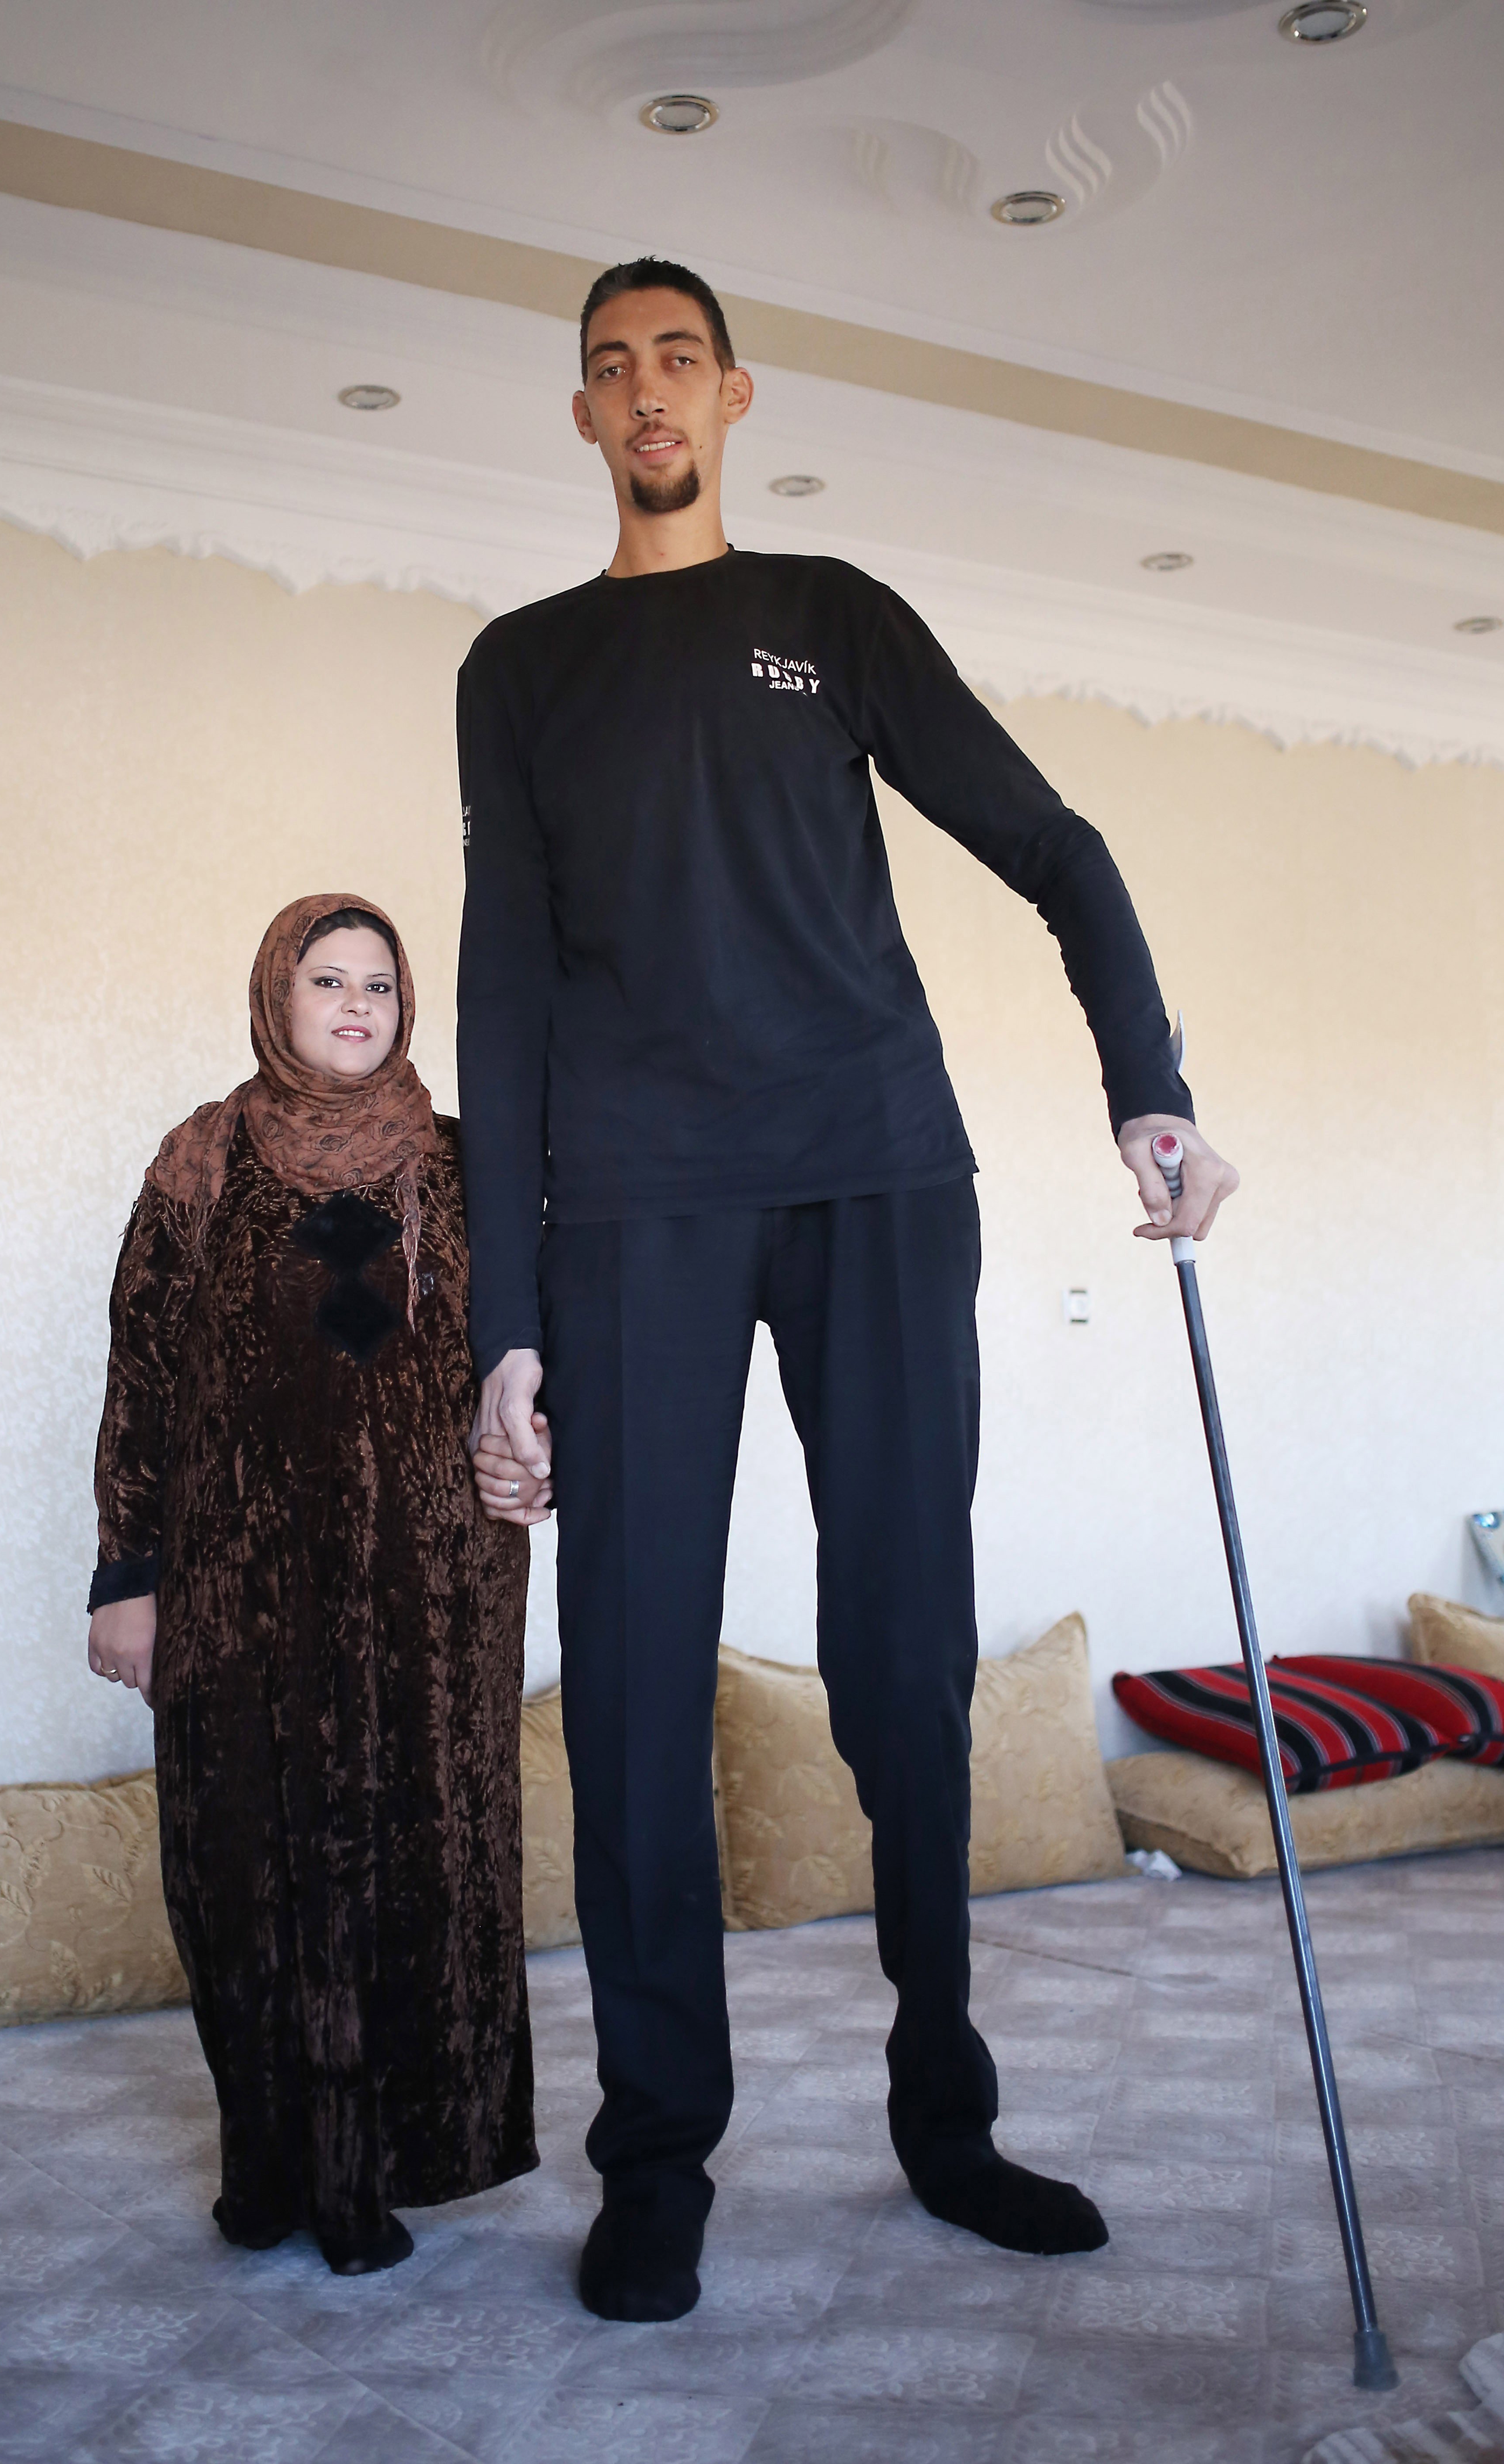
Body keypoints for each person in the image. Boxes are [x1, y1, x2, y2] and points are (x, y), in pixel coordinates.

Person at [458, 256, 1240, 2325]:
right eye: (611, 367)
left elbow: (1056, 847)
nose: (647, 395)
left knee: (907, 1655)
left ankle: (945, 2117)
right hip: (634, 1202)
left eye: (679, 364)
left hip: (881, 1175)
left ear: (735, 399)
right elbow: (508, 990)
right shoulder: (521, 667)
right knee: (629, 1689)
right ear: (581, 413)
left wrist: (1148, 1093)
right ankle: (658, 2160)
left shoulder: (834, 620)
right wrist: (502, 1325)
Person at [87, 893, 544, 2274]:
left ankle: (378, 2178)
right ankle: (277, 2166)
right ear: (274, 996)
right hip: (242, 1588)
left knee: (409, 1860)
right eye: (327, 980)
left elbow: (537, 1361)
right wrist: (128, 1576)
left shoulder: (470, 1168)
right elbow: (143, 1378)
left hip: (436, 1592)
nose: (357, 1005)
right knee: (248, 1867)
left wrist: (544, 1460)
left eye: (384, 987)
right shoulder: (201, 1161)